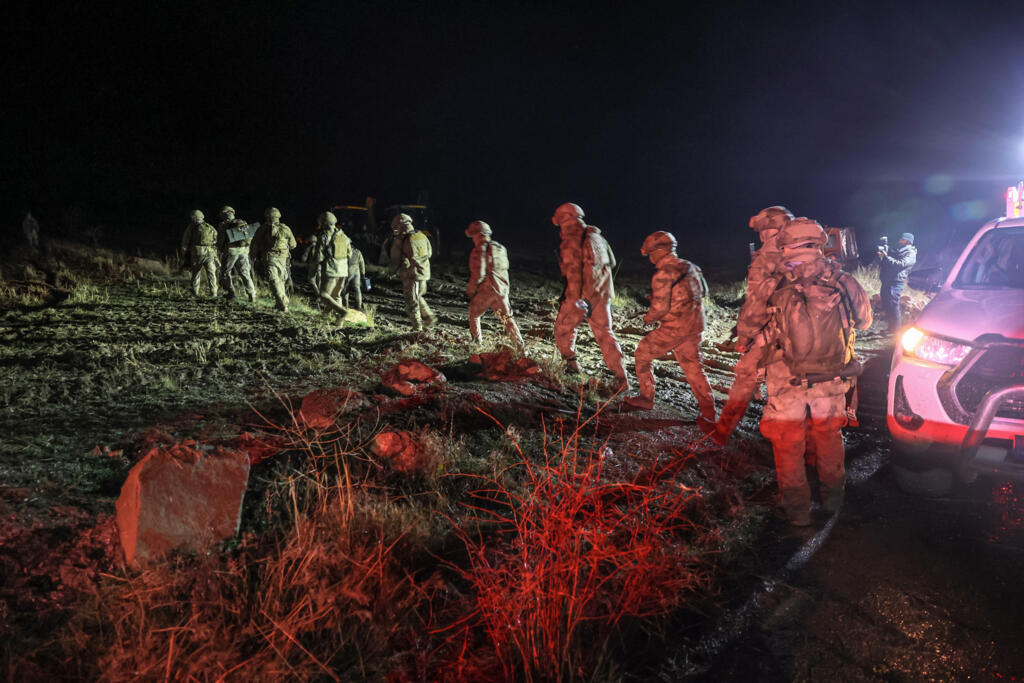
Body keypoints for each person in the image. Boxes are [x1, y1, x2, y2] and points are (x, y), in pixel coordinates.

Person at [758, 218, 872, 526]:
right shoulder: (842, 278)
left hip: (786, 380)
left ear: (785, 244)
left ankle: (797, 512)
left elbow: (754, 330)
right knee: (829, 437)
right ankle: (833, 501)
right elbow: (864, 321)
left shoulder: (773, 281)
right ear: (819, 243)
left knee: (787, 443)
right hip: (831, 378)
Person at [713, 206, 793, 445]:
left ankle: (722, 430)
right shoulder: (803, 251)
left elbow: (756, 303)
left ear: (766, 230)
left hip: (774, 331)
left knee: (745, 375)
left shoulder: (768, 255)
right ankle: (807, 449)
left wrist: (743, 338)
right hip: (806, 333)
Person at [625, 231, 716, 430]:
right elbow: (704, 292)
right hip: (695, 325)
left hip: (674, 327)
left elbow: (659, 309)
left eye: (650, 254)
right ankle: (709, 413)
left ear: (658, 252)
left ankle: (646, 398)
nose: (650, 258)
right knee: (693, 368)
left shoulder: (663, 274)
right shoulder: (692, 267)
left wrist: (648, 318)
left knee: (642, 353)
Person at [551, 202, 628, 391]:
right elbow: (611, 263)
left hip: (580, 297)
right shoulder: (597, 237)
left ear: (565, 219)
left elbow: (576, 274)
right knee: (605, 334)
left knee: (562, 329)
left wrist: (579, 299)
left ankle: (571, 366)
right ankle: (621, 378)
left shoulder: (573, 239)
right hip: (602, 296)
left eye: (561, 222)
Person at [465, 220, 525, 352]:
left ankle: (476, 344)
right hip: (502, 289)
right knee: (508, 319)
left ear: (477, 234)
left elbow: (479, 272)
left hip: (488, 288)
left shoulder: (478, 250)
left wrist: (471, 289)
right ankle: (521, 348)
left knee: (474, 314)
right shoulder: (500, 248)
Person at [388, 213, 434, 331]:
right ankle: (429, 317)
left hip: (411, 275)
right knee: (418, 297)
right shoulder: (421, 235)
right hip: (424, 273)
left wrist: (391, 272)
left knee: (411, 302)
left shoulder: (401, 240)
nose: (395, 230)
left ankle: (417, 328)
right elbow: (429, 253)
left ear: (400, 226)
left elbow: (395, 259)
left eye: (396, 228)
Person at [256, 207, 296, 311]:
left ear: (267, 217)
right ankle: (281, 302)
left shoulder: (263, 228)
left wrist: (255, 255)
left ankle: (282, 303)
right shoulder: (286, 228)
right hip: (283, 258)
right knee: (280, 280)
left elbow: (256, 243)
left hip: (270, 258)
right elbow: (293, 245)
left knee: (274, 280)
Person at [877, 232, 917, 333]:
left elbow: (900, 264)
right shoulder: (900, 251)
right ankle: (891, 327)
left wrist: (886, 257)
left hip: (896, 282)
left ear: (908, 241)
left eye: (902, 239)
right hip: (887, 280)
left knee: (893, 305)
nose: (899, 241)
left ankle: (896, 330)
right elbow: (890, 256)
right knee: (887, 304)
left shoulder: (911, 253)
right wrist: (885, 248)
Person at [216, 206, 256, 302]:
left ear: (223, 214)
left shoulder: (223, 224)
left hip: (231, 251)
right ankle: (252, 295)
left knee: (225, 272)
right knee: (245, 273)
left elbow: (221, 240)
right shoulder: (243, 222)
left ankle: (231, 293)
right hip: (244, 251)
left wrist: (220, 249)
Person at [317, 211, 352, 317]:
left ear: (324, 223)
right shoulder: (344, 236)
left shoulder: (324, 237)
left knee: (323, 295)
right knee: (336, 296)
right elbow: (349, 254)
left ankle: (342, 312)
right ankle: (331, 318)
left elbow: (319, 257)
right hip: (343, 271)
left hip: (331, 270)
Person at [181, 209, 219, 298]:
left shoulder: (191, 227)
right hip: (210, 253)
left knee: (196, 273)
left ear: (194, 218)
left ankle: (195, 292)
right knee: (211, 274)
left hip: (197, 253)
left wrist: (184, 254)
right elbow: (216, 240)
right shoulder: (210, 227)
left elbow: (185, 241)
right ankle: (214, 293)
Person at [340, 245, 366, 310]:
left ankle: (345, 305)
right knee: (357, 289)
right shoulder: (358, 252)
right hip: (356, 271)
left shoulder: (345, 251)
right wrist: (363, 274)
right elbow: (362, 263)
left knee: (345, 289)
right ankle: (358, 306)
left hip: (347, 271)